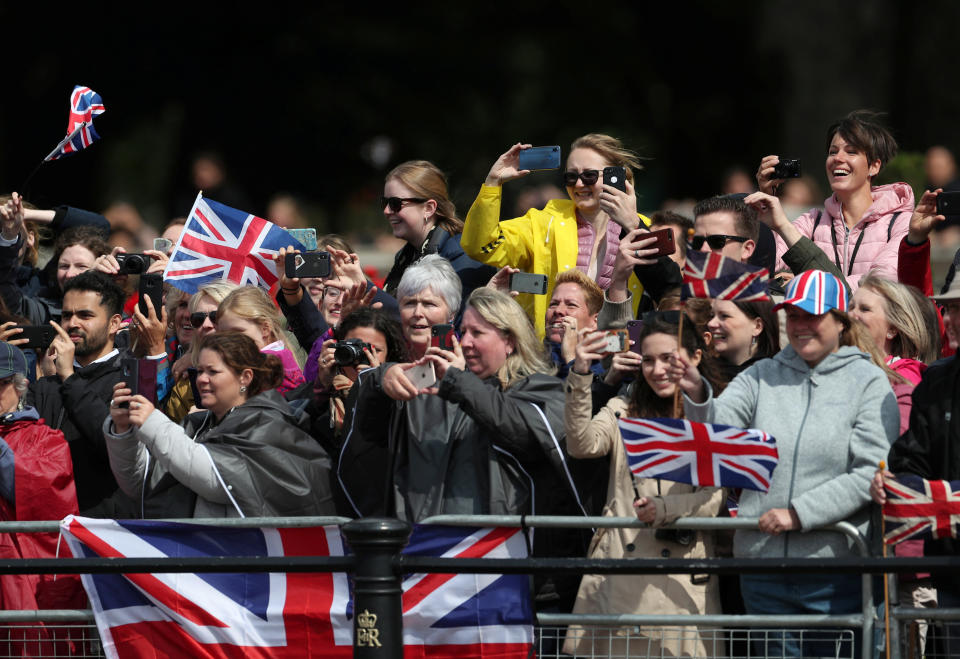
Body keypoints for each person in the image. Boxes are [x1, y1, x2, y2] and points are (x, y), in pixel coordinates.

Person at [677, 269, 899, 657]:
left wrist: (799, 513)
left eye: (812, 316)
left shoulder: (869, 382)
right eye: (793, 315)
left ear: (840, 320)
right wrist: (697, 392)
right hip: (762, 572)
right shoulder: (760, 375)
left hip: (836, 575)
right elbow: (714, 438)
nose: (800, 325)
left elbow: (870, 472)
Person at [338, 287, 588, 610]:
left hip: (513, 587)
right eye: (463, 332)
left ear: (510, 340)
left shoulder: (544, 388)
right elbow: (367, 444)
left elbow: (516, 426)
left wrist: (457, 381)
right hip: (432, 584)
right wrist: (380, 381)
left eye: (477, 333)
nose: (465, 342)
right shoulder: (435, 392)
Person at [562, 313, 725, 658]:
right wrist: (579, 373)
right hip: (618, 567)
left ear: (695, 358)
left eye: (669, 359)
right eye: (649, 360)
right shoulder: (623, 409)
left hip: (680, 579)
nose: (657, 370)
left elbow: (713, 499)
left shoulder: (712, 417)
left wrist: (664, 511)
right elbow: (581, 444)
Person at [462, 135, 680, 337]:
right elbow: (482, 245)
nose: (578, 184)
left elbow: (671, 287)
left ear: (619, 176)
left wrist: (632, 224)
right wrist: (492, 183)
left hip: (617, 358)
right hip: (552, 359)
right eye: (571, 176)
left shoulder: (644, 227)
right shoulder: (543, 221)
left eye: (589, 176)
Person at [103, 331, 335, 518]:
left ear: (245, 377)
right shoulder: (195, 425)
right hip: (192, 559)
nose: (202, 379)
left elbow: (215, 479)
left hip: (240, 564)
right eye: (200, 371)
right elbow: (139, 483)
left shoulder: (269, 423)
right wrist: (124, 431)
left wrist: (153, 420)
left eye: (213, 372)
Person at [871, 274, 960, 658]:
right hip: (950, 572)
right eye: (950, 308)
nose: (951, 319)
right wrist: (893, 483)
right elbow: (911, 459)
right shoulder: (937, 380)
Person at [758, 110, 914, 291]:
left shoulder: (900, 222)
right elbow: (768, 266)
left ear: (873, 166)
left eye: (851, 152)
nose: (838, 158)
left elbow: (880, 282)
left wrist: (802, 282)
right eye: (833, 152)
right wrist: (767, 200)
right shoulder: (813, 221)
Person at [25, 271, 133, 513]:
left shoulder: (131, 377)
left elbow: (113, 445)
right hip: (47, 528)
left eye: (85, 315)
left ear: (114, 323)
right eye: (66, 315)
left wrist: (70, 379)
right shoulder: (46, 384)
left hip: (105, 531)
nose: (72, 323)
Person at [0, 343, 83, 611]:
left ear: (21, 385)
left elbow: (43, 503)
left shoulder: (47, 440)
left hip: (23, 583)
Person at [380, 160, 494, 311]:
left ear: (429, 208)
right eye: (384, 202)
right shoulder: (408, 255)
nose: (387, 211)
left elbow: (454, 324)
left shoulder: (463, 256)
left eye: (395, 203)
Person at [849, 274, 939, 432]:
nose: (852, 315)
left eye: (864, 309)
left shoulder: (907, 378)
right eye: (850, 307)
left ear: (892, 329)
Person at [164, 281, 238, 423]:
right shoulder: (184, 387)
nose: (206, 325)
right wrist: (193, 425)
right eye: (198, 319)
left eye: (215, 317)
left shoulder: (262, 370)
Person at [215, 286, 305, 394]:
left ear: (265, 329)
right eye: (223, 335)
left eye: (237, 332)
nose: (229, 340)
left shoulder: (266, 367)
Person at [708, 299, 780, 380]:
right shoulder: (703, 373)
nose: (711, 323)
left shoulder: (777, 379)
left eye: (724, 316)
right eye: (711, 315)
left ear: (757, 326)